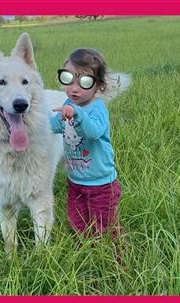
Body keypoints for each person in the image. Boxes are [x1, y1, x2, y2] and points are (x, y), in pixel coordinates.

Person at [51, 48, 122, 238]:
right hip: (75, 181)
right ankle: (87, 251)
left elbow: (93, 132)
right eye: (68, 78)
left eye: (83, 81)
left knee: (105, 227)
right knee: (78, 222)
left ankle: (117, 261)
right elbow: (56, 125)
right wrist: (32, 123)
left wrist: (76, 114)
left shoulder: (97, 108)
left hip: (101, 184)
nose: (74, 88)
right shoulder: (69, 102)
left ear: (98, 85)